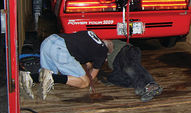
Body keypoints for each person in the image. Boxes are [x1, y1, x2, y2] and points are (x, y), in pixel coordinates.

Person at [19, 32, 162, 102]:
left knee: (127, 71)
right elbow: (91, 76)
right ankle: (150, 85)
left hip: (49, 42)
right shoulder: (102, 50)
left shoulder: (92, 38)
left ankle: (29, 76)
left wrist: (89, 66)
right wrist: (90, 71)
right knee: (85, 82)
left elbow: (88, 62)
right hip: (60, 48)